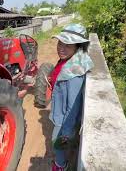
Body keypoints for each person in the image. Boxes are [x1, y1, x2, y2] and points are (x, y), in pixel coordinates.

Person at [49, 24, 94, 171]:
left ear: (77, 46)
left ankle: (61, 165)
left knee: (56, 142)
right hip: (59, 110)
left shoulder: (74, 74)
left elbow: (73, 107)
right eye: (60, 43)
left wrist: (67, 131)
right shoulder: (68, 60)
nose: (61, 48)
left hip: (64, 119)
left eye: (67, 45)